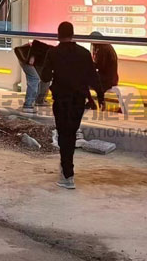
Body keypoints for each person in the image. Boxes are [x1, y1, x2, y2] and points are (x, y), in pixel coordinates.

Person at [41, 22, 101, 190]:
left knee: (63, 135)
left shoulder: (52, 53)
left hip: (61, 100)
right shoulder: (84, 53)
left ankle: (67, 174)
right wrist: (100, 96)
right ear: (72, 34)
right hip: (78, 101)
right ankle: (67, 171)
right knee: (71, 134)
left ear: (58, 34)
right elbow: (92, 77)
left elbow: (45, 77)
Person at [14, 40, 52, 113]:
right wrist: (32, 56)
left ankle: (39, 101)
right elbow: (35, 43)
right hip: (26, 58)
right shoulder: (51, 49)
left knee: (42, 79)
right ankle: (28, 106)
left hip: (33, 61)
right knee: (34, 79)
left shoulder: (54, 55)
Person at [90, 31, 119, 111]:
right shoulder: (107, 46)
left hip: (107, 79)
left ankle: (95, 102)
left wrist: (90, 64)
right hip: (112, 78)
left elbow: (100, 66)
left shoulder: (103, 49)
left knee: (86, 80)